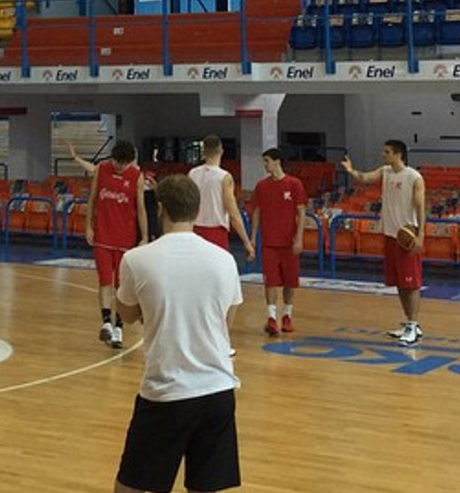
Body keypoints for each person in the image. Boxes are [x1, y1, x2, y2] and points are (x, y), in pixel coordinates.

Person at [114, 174, 243, 493]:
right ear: (196, 210)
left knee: (131, 485)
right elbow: (227, 319)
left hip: (168, 392)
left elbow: (127, 314)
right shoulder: (225, 260)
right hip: (218, 389)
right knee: (206, 487)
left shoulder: (136, 259)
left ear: (160, 208)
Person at [342, 140, 426, 346]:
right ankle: (409, 323)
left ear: (399, 154)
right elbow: (366, 178)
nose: (383, 154)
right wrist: (352, 171)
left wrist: (421, 234)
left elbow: (421, 207)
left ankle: (414, 325)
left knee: (411, 284)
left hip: (407, 237)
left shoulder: (414, 177)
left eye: (387, 152)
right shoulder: (386, 172)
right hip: (389, 235)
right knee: (399, 283)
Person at [85, 140, 149, 349]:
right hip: (103, 236)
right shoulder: (101, 170)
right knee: (105, 282)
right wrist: (88, 226)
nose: (119, 167)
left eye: (124, 164)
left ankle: (119, 326)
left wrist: (145, 237)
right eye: (117, 162)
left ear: (130, 162)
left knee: (122, 286)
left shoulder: (136, 176)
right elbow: (92, 199)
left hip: (125, 239)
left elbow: (141, 208)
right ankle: (106, 323)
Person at [250, 148, 307, 337]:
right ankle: (272, 318)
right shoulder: (261, 186)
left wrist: (299, 237)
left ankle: (287, 316)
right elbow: (256, 212)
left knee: (290, 281)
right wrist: (253, 237)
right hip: (269, 242)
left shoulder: (294, 184)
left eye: (267, 161)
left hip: (289, 242)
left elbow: (301, 212)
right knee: (270, 282)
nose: (264, 165)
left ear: (277, 161)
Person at [188, 135, 255, 261]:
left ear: (204, 152)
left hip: (194, 230)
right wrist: (246, 241)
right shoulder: (224, 177)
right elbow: (234, 213)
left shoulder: (192, 173)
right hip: (216, 232)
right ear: (221, 151)